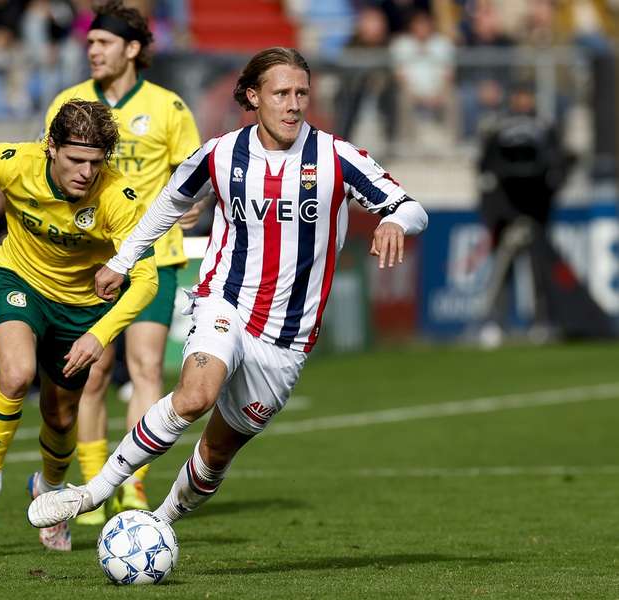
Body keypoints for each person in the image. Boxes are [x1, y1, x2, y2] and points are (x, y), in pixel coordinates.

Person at [28, 47, 428, 531]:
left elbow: (411, 206)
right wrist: (122, 260)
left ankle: (160, 523)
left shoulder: (337, 158)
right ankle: (93, 492)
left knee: (216, 452)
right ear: (253, 96)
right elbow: (167, 205)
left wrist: (395, 222)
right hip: (226, 302)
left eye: (302, 93)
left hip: (287, 339)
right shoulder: (221, 153)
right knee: (194, 395)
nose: (294, 104)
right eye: (281, 93)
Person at [0, 99, 157, 551]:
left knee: (60, 417)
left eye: (95, 163)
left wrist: (99, 335)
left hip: (81, 309)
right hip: (17, 279)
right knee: (16, 374)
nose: (85, 172)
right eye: (75, 160)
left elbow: (146, 280)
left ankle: (50, 491)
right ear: (50, 148)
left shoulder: (118, 197)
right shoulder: (12, 162)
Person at [43, 0, 201, 524]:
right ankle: (92, 485)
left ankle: (132, 484)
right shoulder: (68, 103)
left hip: (157, 254)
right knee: (92, 373)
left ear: (132, 49)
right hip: (90, 257)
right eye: (89, 43)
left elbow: (193, 178)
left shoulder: (169, 108)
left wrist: (195, 206)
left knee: (147, 367)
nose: (92, 50)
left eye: (103, 43)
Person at [476, 83, 572, 348]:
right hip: (504, 209)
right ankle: (495, 322)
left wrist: (548, 195)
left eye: (527, 97)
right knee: (501, 269)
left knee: (539, 268)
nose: (523, 102)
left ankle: (541, 321)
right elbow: (486, 168)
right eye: (519, 97)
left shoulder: (544, 127)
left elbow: (557, 166)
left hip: (535, 209)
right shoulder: (498, 127)